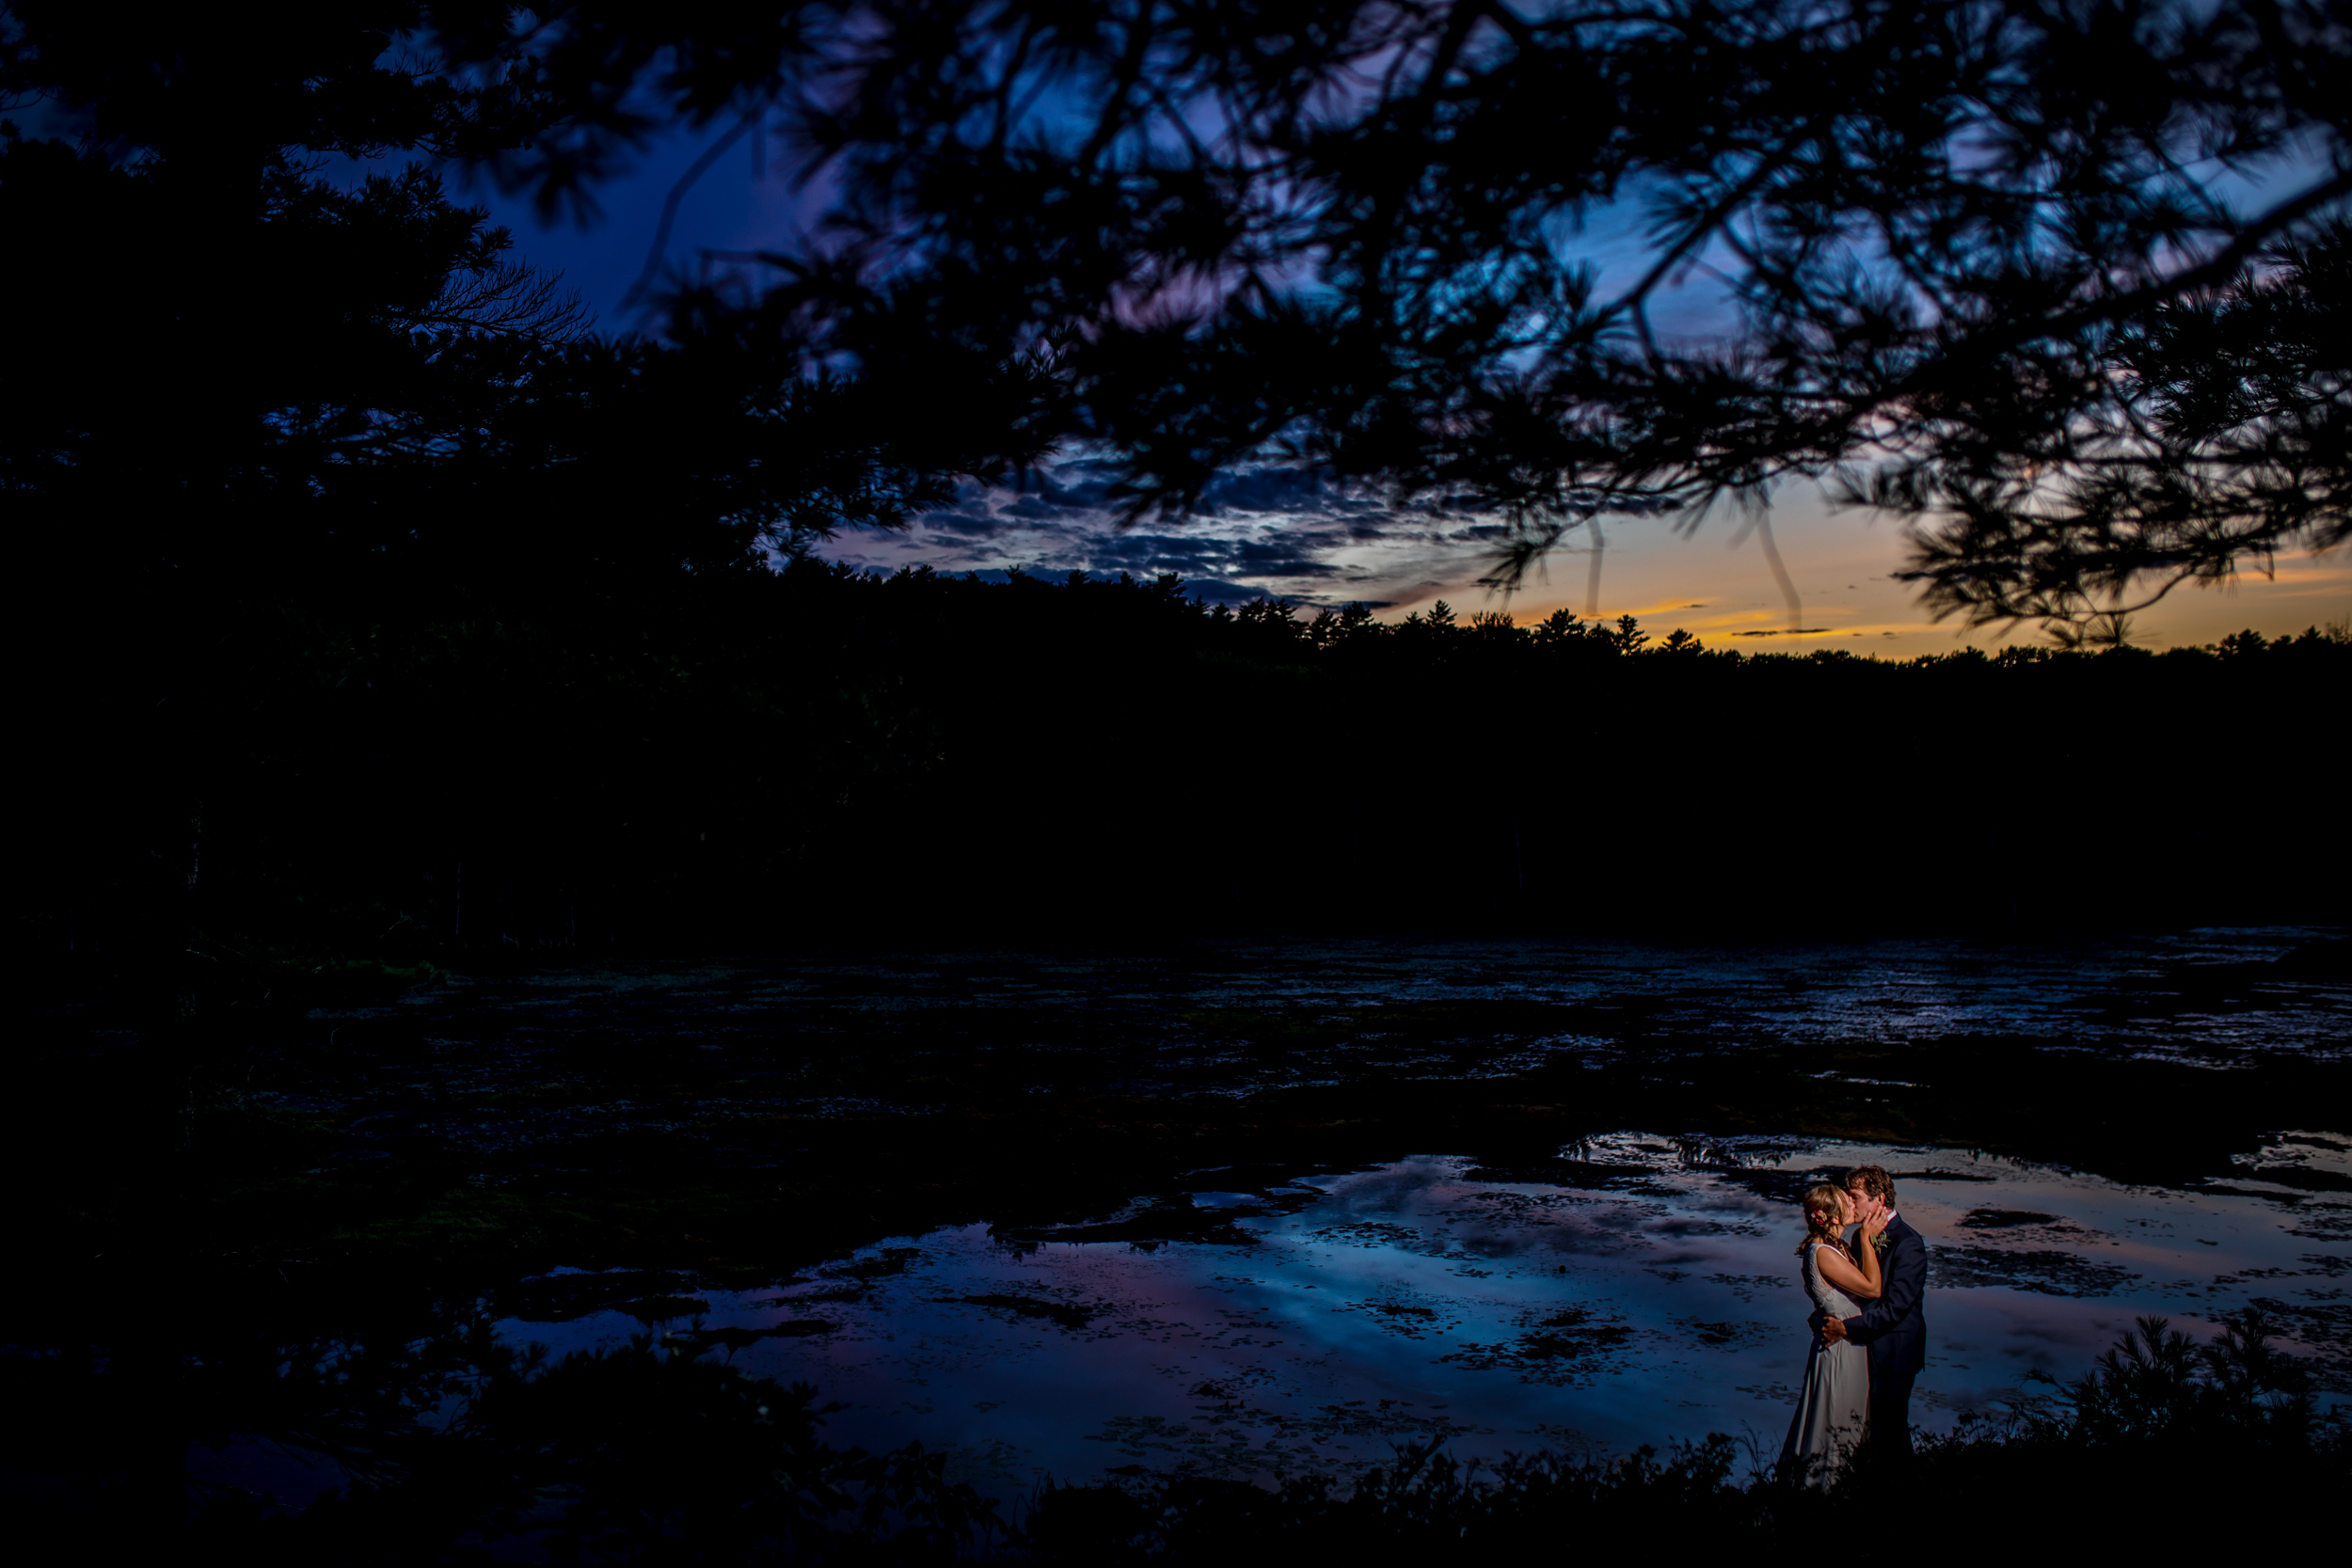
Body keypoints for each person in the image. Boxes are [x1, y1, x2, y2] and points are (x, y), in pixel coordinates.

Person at [1819, 1164, 1927, 1461]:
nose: (1849, 1204)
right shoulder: (1859, 1238)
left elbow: (1895, 1308)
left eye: (1855, 1197)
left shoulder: (1909, 1244)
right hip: (1864, 1350)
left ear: (1879, 1200)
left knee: (1890, 1432)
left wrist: (1846, 1329)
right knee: (1865, 1430)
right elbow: (1852, 1295)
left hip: (1894, 1352)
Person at [1782, 1180, 1882, 1485]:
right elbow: (1872, 1288)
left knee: (1849, 1420)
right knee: (1835, 1420)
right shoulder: (1823, 1252)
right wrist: (1865, 1236)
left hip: (1848, 1344)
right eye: (1846, 1201)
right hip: (1839, 1351)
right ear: (1834, 1217)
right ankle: (1823, 1491)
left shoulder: (1836, 1247)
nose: (1853, 1204)